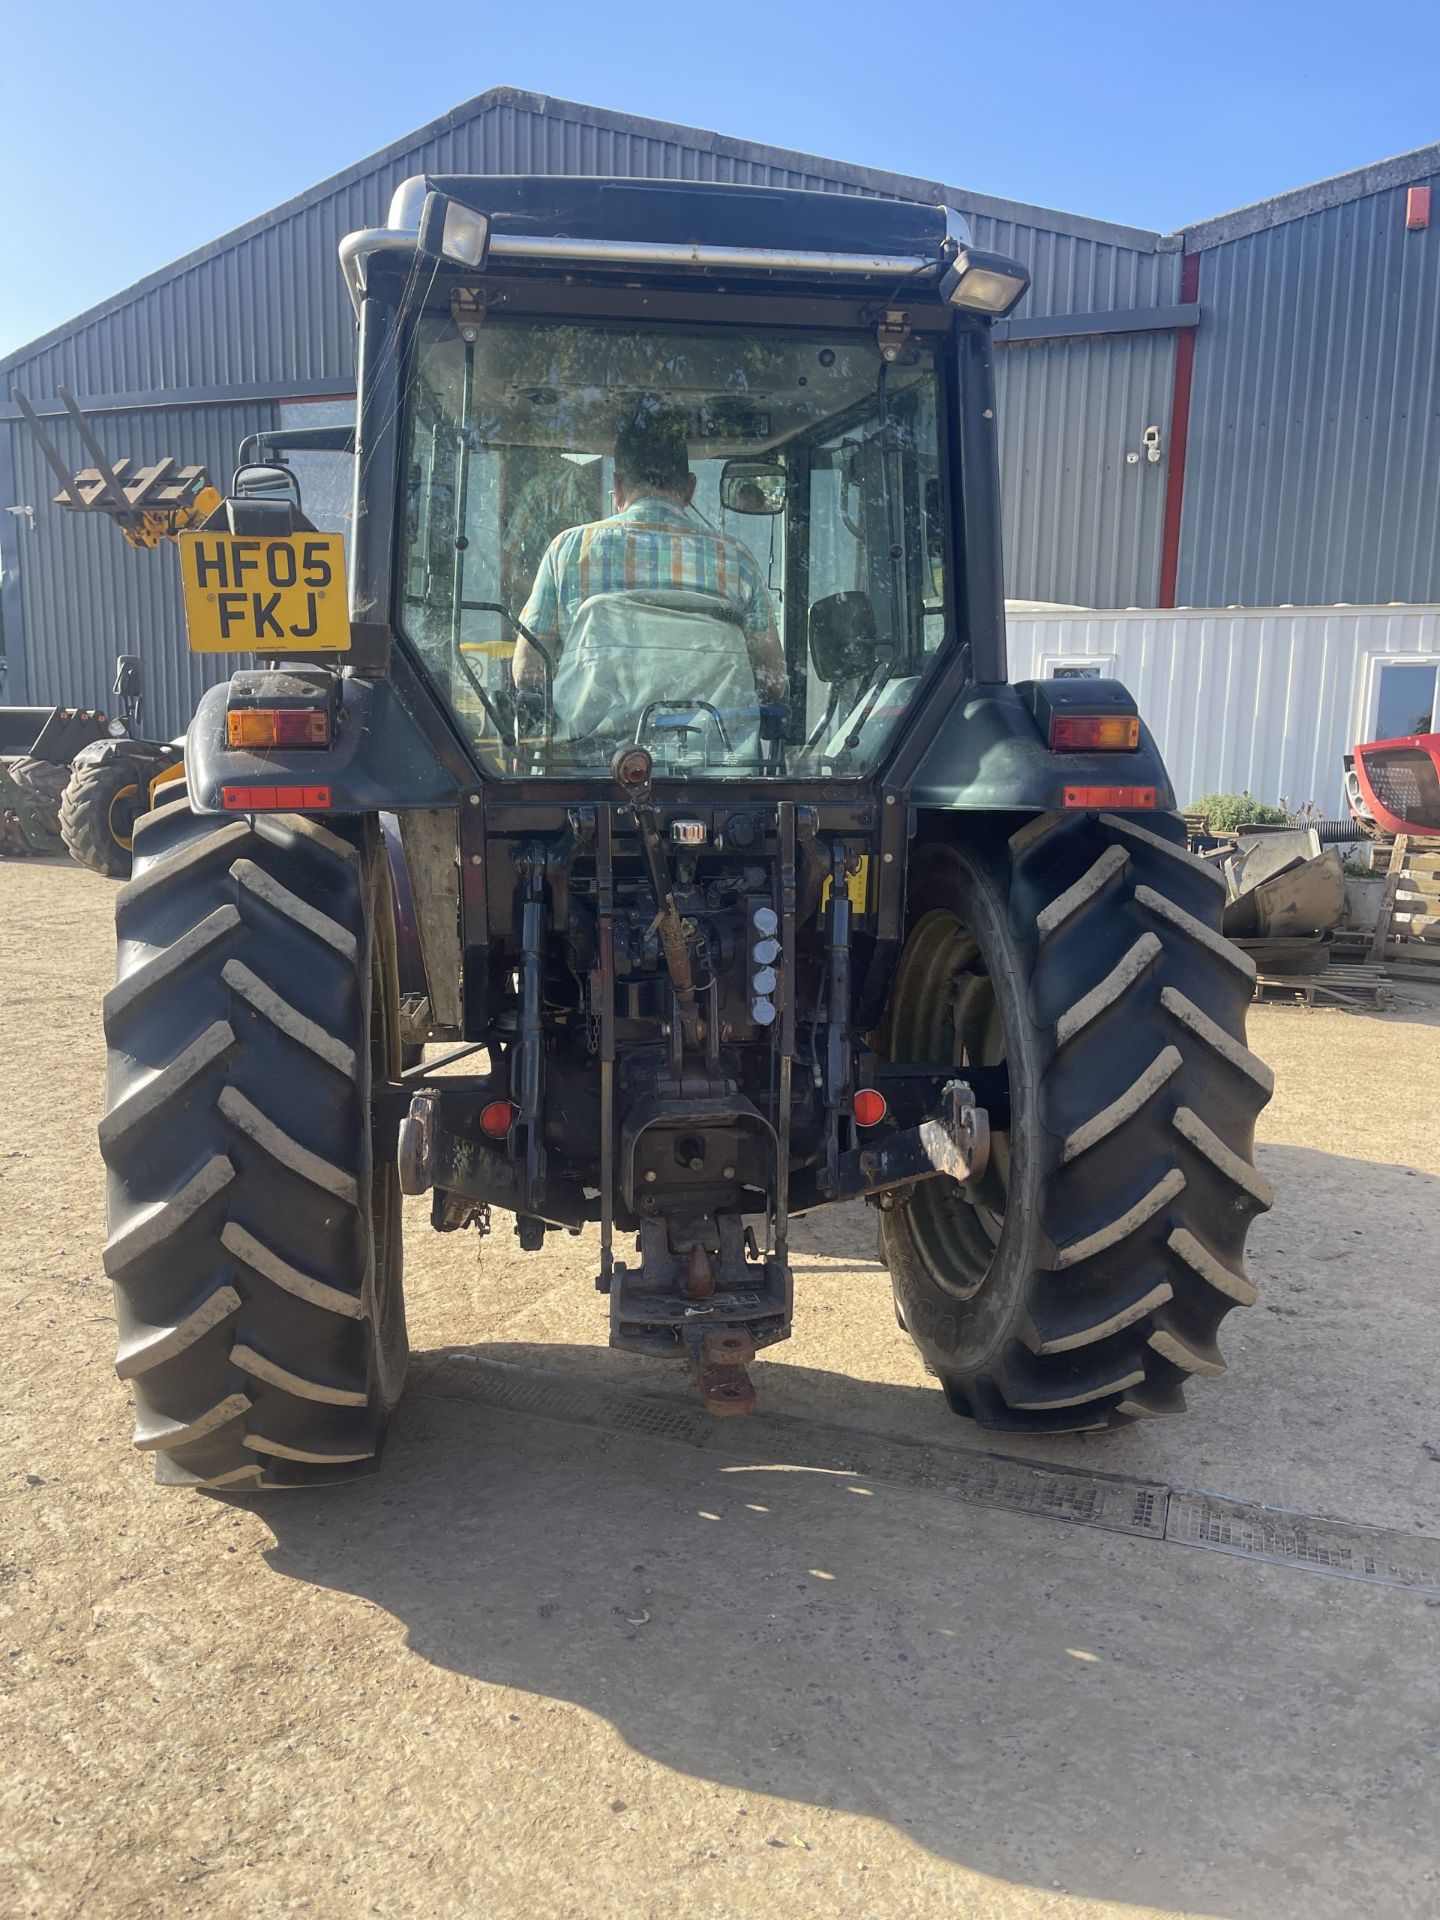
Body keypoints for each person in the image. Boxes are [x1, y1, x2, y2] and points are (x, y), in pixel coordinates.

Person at [512, 408, 787, 711]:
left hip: (590, 755)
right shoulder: (737, 560)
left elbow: (528, 673)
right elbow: (773, 682)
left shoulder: (569, 549)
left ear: (617, 487)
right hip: (714, 754)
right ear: (690, 488)